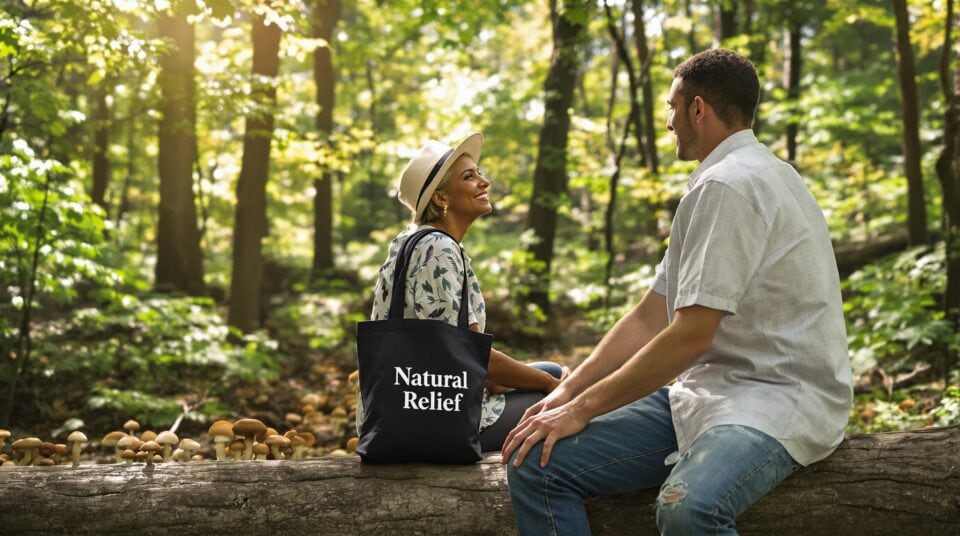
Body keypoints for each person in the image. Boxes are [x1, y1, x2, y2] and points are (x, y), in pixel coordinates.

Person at [502, 48, 853, 534]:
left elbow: (689, 337)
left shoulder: (730, 185)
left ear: (697, 109)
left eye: (672, 106)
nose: (667, 121)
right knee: (536, 463)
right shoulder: (730, 179)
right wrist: (568, 390)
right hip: (708, 393)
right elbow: (652, 314)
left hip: (777, 398)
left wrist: (582, 409)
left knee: (689, 508)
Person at [360, 131, 568, 452]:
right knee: (553, 399)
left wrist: (549, 380)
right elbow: (467, 359)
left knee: (552, 375)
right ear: (441, 199)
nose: (483, 182)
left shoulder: (412, 240)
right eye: (469, 177)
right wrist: (552, 387)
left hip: (406, 401)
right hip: (431, 414)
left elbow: (474, 363)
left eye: (479, 173)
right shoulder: (439, 250)